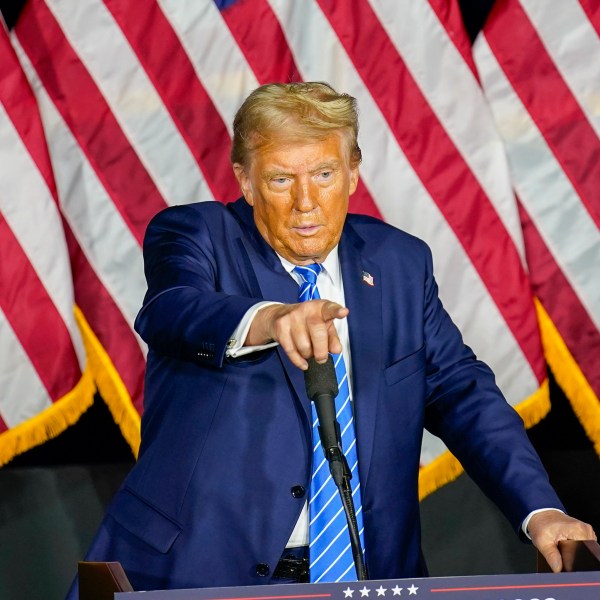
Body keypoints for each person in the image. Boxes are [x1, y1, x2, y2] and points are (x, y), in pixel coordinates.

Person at [67, 82, 595, 596]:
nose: (305, 202)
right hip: (196, 570)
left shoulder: (399, 262)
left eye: (323, 174)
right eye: (279, 180)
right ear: (245, 181)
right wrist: (271, 319)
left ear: (353, 174)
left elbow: (462, 393)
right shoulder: (197, 234)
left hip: (366, 576)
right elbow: (171, 309)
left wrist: (539, 509)